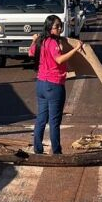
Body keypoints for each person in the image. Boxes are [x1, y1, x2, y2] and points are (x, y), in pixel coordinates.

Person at [28, 15, 84, 154]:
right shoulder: (53, 43)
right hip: (54, 85)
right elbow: (59, 60)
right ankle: (57, 151)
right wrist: (75, 49)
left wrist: (33, 40)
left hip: (41, 83)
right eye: (56, 27)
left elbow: (30, 53)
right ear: (49, 28)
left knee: (41, 118)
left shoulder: (40, 40)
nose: (59, 29)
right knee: (54, 121)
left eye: (60, 26)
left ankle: (38, 148)